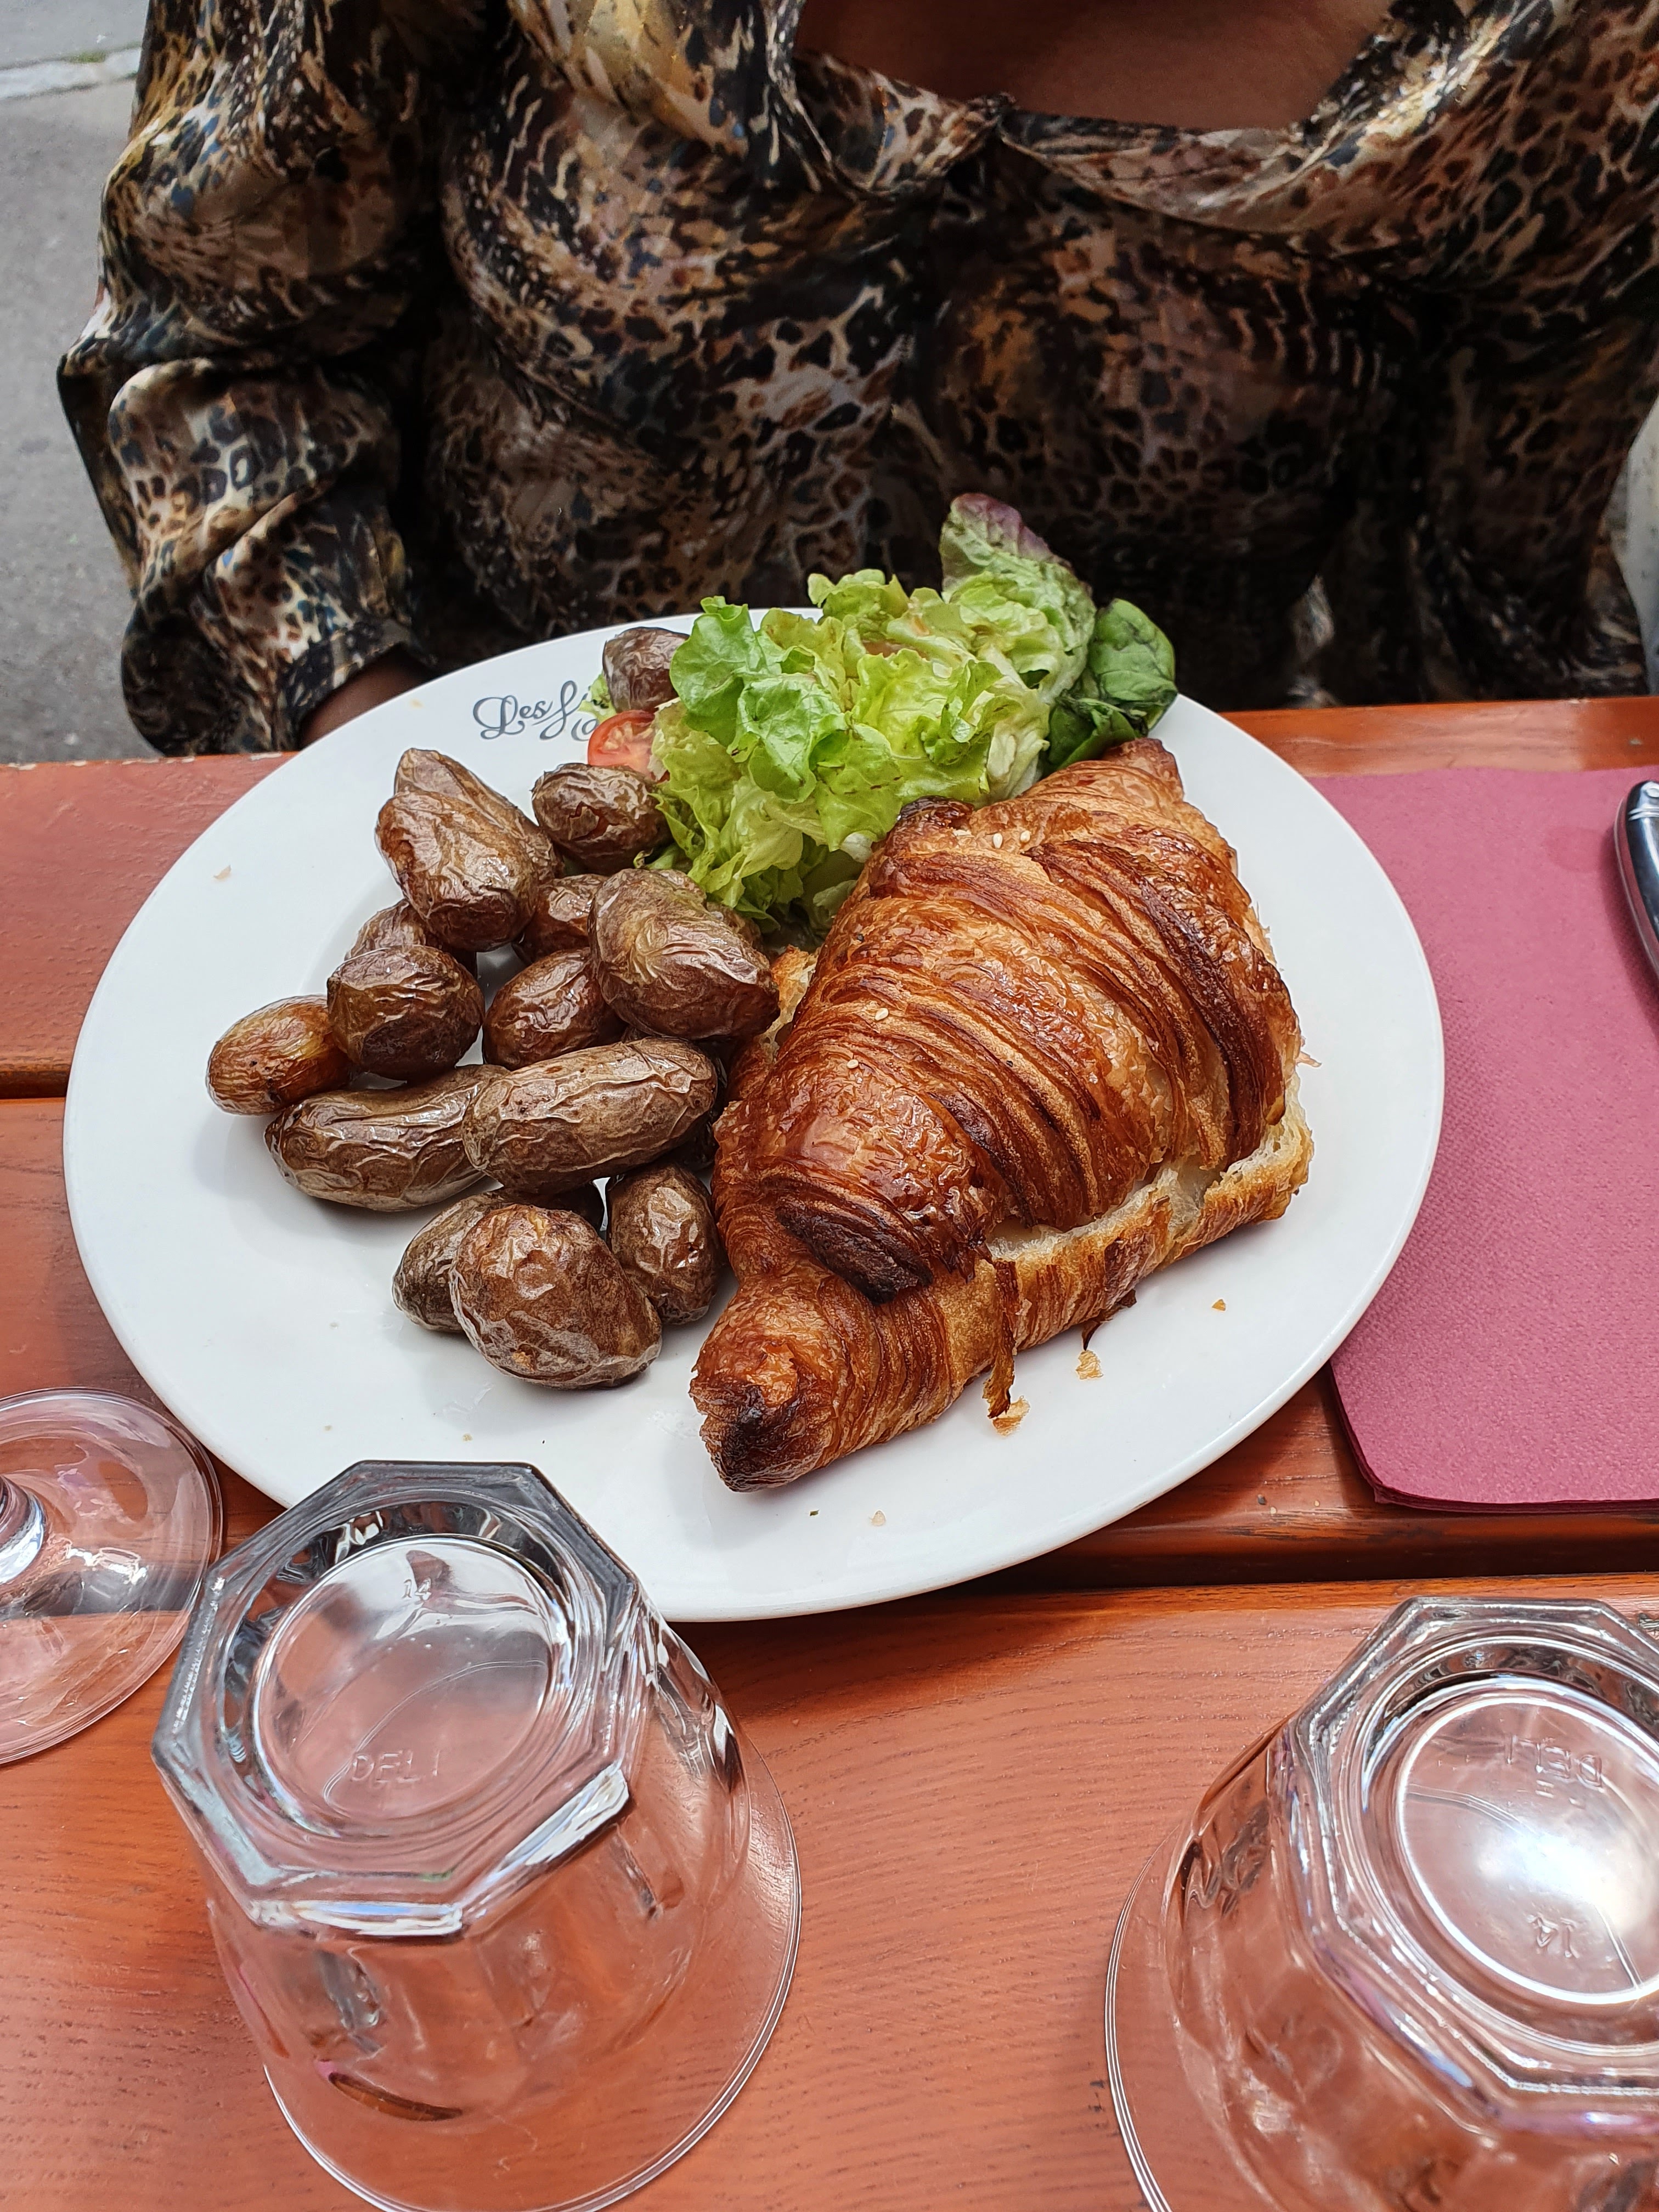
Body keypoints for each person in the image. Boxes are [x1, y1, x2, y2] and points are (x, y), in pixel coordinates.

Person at [60, 0, 1659, 755]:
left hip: (1132, 882)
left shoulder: (1555, 45)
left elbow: (1486, 644)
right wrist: (399, 791)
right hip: (521, 795)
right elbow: (214, 347)